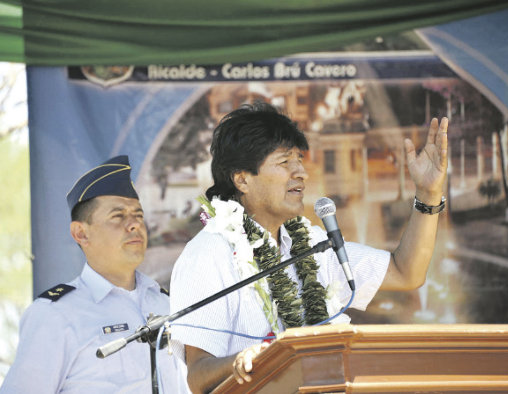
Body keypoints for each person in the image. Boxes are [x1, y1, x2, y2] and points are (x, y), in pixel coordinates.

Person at [169, 102, 448, 393]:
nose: (301, 171)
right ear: (242, 179)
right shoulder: (208, 254)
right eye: (284, 162)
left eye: (299, 159)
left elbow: (406, 273)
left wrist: (428, 195)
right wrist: (249, 360)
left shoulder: (312, 244)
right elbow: (198, 376)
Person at [1, 155, 185, 393]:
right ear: (81, 234)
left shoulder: (166, 303)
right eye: (118, 216)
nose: (134, 225)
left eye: (138, 216)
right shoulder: (55, 315)